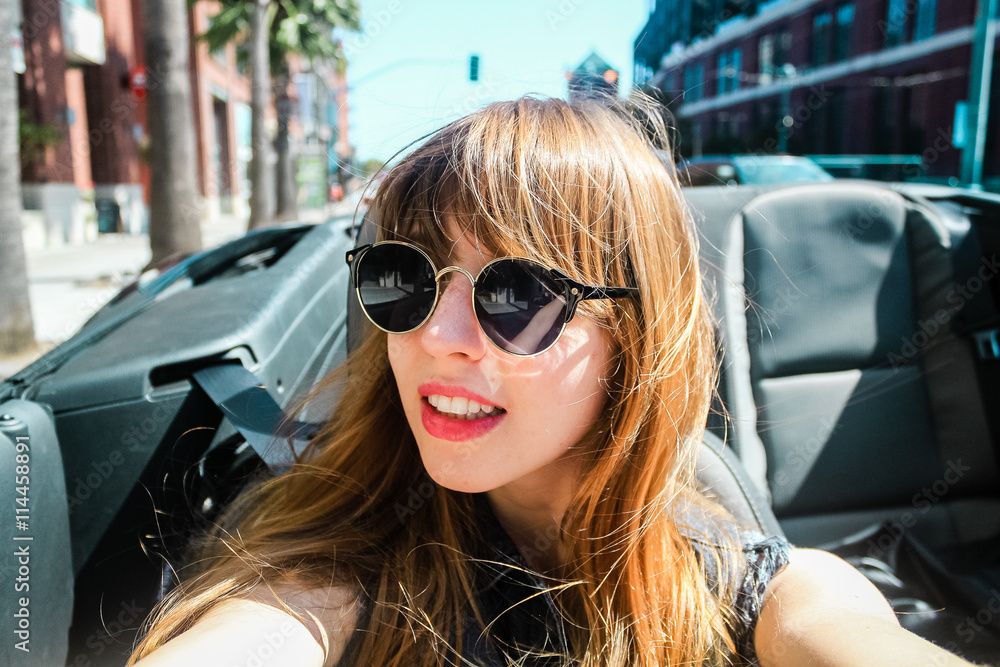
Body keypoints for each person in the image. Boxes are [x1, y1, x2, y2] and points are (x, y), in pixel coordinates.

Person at [128, 96, 974, 667]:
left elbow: (835, 625)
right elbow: (272, 618)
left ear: (635, 337)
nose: (439, 338)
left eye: (517, 295)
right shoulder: (343, 552)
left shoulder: (747, 582)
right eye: (403, 279)